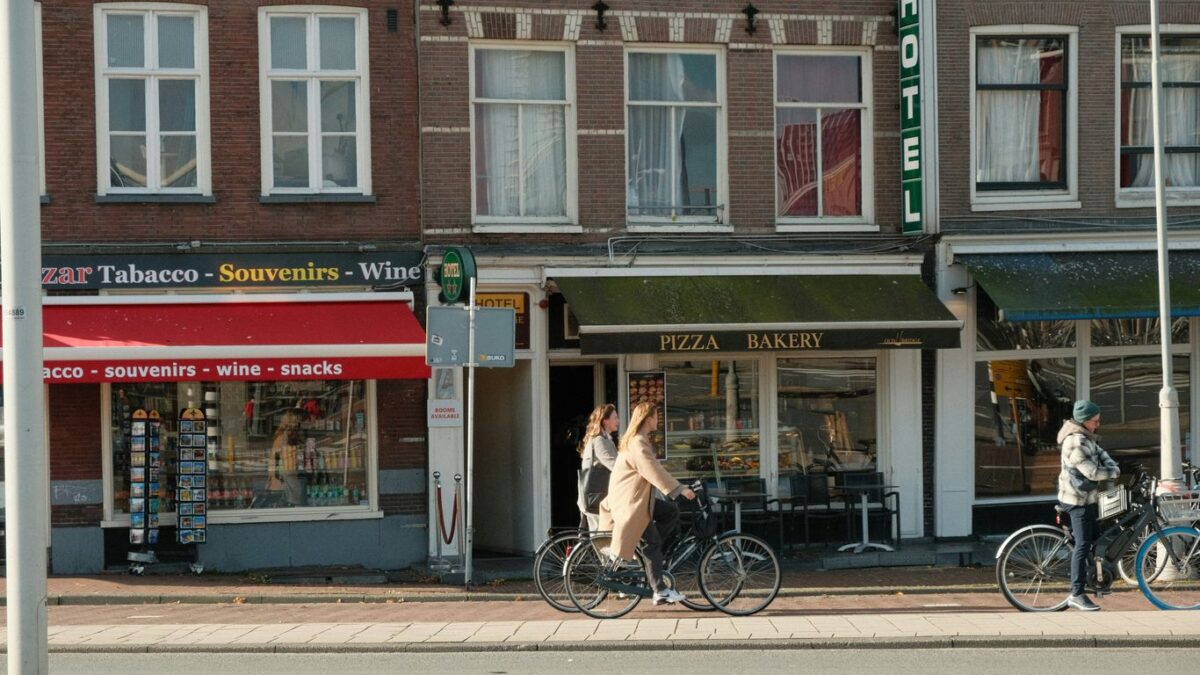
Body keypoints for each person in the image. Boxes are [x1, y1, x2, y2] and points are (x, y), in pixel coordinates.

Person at [598, 401, 696, 605]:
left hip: (637, 500)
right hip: (631, 504)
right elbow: (651, 470)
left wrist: (676, 484)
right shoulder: (637, 442)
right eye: (656, 416)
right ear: (647, 419)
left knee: (670, 511)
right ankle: (659, 589)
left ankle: (649, 555)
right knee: (653, 542)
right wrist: (679, 489)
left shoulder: (638, 440)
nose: (658, 419)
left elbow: (653, 468)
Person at [1057, 399, 1120, 611]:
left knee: (1094, 539)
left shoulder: (1087, 437)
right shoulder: (1075, 442)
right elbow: (1092, 472)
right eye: (1095, 421)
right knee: (1083, 544)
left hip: (1088, 498)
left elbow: (1103, 455)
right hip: (1076, 501)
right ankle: (1077, 593)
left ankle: (1095, 578)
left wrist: (1113, 465)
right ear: (1084, 421)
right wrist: (1113, 472)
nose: (1098, 424)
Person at [577, 404, 620, 531]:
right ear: (605, 421)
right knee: (601, 538)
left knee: (595, 537)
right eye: (615, 417)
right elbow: (614, 464)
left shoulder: (607, 439)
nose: (618, 421)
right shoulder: (599, 441)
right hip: (596, 496)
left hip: (596, 496)